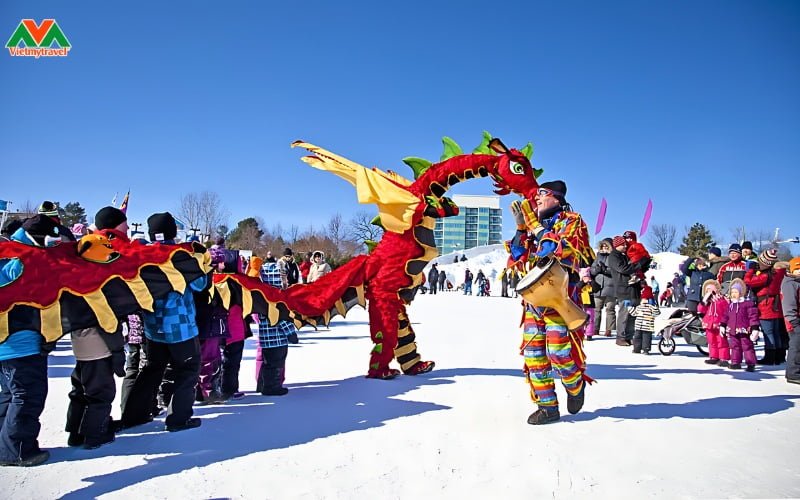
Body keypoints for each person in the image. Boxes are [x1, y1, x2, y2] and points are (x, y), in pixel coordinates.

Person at [508, 180, 595, 425]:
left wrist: (534, 226)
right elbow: (517, 257)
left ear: (557, 198)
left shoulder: (572, 221)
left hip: (560, 298)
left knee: (558, 352)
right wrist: (520, 229)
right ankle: (547, 407)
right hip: (534, 300)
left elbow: (554, 251)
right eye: (535, 195)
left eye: (542, 194)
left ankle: (575, 385)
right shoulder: (533, 226)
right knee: (534, 355)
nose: (536, 199)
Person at [121, 212, 207, 432]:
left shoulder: (142, 256)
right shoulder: (180, 255)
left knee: (152, 369)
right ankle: (179, 418)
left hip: (153, 327)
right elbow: (199, 284)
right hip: (181, 329)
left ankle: (134, 415)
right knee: (187, 370)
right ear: (173, 232)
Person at [0, 215, 61, 466]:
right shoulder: (27, 259)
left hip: (7, 343)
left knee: (9, 395)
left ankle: (4, 444)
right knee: (27, 396)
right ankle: (18, 450)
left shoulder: (7, 252)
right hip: (21, 342)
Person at [254, 260, 295, 396]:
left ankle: (264, 384)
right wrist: (291, 333)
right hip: (278, 338)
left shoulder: (262, 295)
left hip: (266, 339)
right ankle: (272, 387)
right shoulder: (276, 297)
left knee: (268, 363)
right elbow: (280, 317)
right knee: (276, 364)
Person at [745, 249, 787, 365]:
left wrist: (751, 270)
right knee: (776, 332)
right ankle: (779, 357)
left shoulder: (765, 276)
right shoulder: (778, 273)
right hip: (776, 305)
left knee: (768, 333)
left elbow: (748, 282)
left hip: (766, 306)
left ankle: (770, 358)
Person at [607, 235, 641, 346]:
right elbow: (623, 269)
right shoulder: (613, 256)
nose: (625, 246)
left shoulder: (625, 255)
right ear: (617, 245)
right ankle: (620, 337)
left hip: (633, 289)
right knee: (624, 314)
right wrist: (636, 266)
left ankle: (629, 336)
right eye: (623, 244)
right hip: (623, 289)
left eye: (626, 244)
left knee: (632, 315)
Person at [719, 279, 759, 371]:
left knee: (747, 346)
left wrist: (754, 328)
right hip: (733, 330)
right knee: (734, 346)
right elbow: (725, 316)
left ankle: (750, 363)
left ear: (741, 293)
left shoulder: (747, 304)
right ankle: (736, 362)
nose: (733, 294)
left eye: (736, 292)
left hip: (744, 330)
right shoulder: (731, 305)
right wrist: (723, 325)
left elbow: (753, 316)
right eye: (732, 292)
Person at [698, 279, 730, 366]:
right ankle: (714, 356)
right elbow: (700, 310)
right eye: (707, 290)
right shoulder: (706, 301)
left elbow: (726, 310)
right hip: (709, 324)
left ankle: (724, 358)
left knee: (721, 341)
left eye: (711, 290)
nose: (710, 292)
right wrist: (704, 301)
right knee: (711, 341)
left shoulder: (721, 299)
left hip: (719, 323)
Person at [590, 238, 617, 337]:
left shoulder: (614, 257)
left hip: (611, 287)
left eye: (606, 246)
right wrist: (596, 270)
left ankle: (609, 330)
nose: (604, 248)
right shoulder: (598, 256)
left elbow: (616, 271)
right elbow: (592, 269)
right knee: (597, 309)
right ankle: (595, 329)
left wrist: (606, 270)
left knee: (610, 309)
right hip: (598, 287)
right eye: (603, 246)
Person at [779, 257, 800, 385]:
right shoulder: (789, 283)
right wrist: (793, 320)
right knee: (796, 346)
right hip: (793, 319)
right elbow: (788, 303)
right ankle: (793, 373)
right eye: (797, 269)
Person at [628, 284, 660, 354]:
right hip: (648, 326)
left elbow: (633, 313)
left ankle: (637, 349)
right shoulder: (651, 307)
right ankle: (646, 349)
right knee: (646, 338)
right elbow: (657, 313)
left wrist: (629, 307)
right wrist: (655, 307)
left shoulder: (639, 307)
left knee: (637, 338)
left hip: (639, 326)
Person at [579, 268, 599, 340]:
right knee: (580, 319)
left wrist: (591, 281)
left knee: (590, 319)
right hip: (581, 304)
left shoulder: (590, 283)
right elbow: (577, 287)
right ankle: (580, 333)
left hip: (590, 304)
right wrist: (583, 282)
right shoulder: (579, 282)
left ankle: (589, 334)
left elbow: (597, 288)